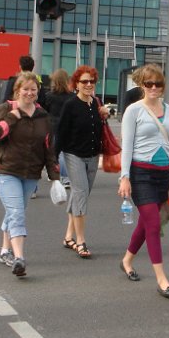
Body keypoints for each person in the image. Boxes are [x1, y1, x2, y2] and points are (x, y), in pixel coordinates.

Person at [118, 64, 169, 298]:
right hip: (140, 174)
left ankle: (127, 260)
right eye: (149, 84)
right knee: (154, 224)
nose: (154, 88)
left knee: (147, 223)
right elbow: (126, 147)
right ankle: (162, 279)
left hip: (162, 174)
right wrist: (124, 177)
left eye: (158, 84)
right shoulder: (134, 111)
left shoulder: (168, 110)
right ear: (141, 85)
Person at [0, 71, 58, 277]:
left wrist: (55, 178)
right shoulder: (5, 109)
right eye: (25, 89)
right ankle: (19, 258)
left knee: (14, 211)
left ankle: (4, 251)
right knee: (17, 213)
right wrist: (11, 118)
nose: (29, 93)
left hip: (30, 173)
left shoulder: (42, 116)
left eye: (33, 90)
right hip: (6, 170)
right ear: (17, 90)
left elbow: (48, 148)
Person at [55, 65, 108, 259]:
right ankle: (81, 241)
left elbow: (97, 131)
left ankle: (68, 237)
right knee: (79, 193)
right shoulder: (70, 105)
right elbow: (60, 133)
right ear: (76, 83)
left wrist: (104, 115)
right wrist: (53, 158)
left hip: (93, 156)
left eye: (91, 81)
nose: (88, 84)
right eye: (84, 81)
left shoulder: (95, 103)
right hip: (73, 155)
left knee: (81, 196)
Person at [43, 68, 75, 187]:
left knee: (52, 152)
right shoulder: (72, 97)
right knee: (64, 153)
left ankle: (53, 173)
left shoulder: (49, 96)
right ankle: (65, 178)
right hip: (68, 127)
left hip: (52, 126)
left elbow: (45, 111)